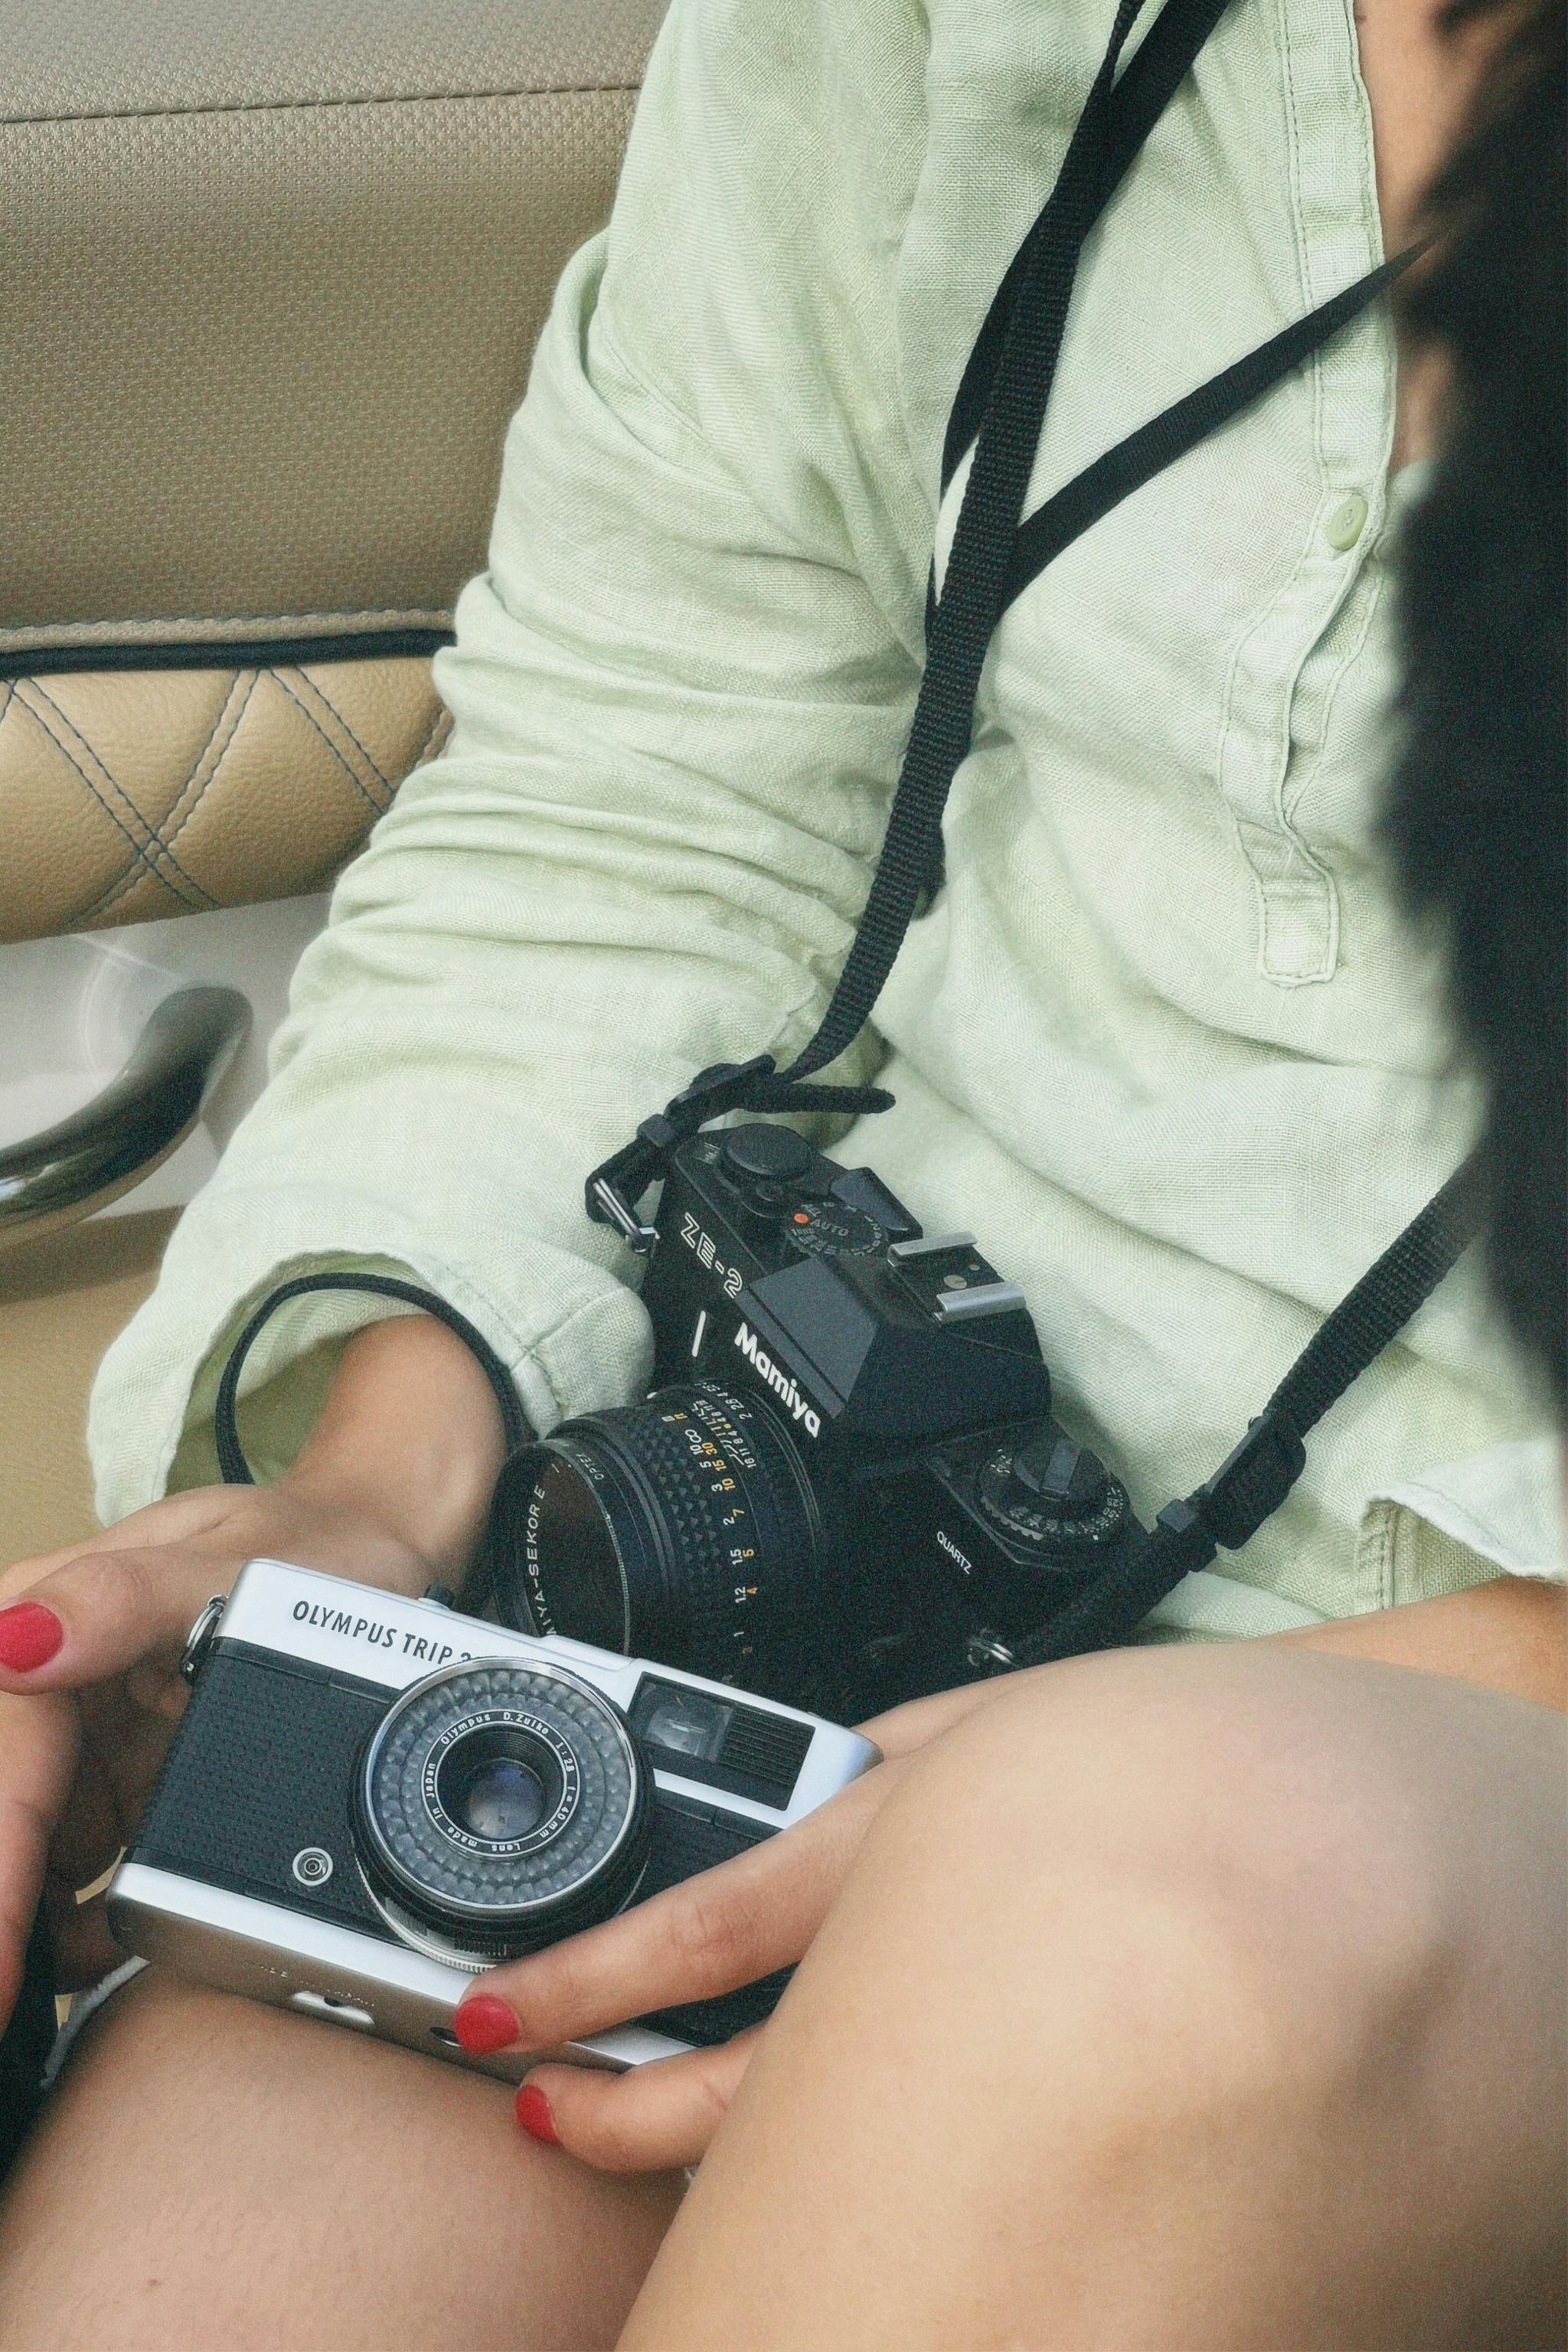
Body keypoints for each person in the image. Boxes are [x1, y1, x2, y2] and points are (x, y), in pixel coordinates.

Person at [0, 0, 1562, 2340]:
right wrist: (382, 1510)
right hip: (849, 1577)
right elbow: (661, 768)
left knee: (1129, 1929)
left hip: (1427, 1731)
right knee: (231, 2237)